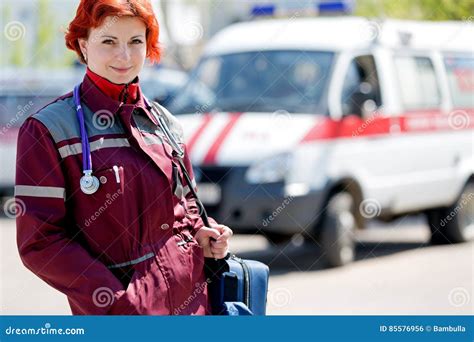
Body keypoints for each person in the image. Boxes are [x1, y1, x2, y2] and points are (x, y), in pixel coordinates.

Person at [15, 0, 232, 315]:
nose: (125, 55)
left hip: (195, 307)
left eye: (135, 41)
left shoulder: (165, 123)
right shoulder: (48, 130)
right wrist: (119, 302)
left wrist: (205, 234)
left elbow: (186, 211)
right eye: (108, 41)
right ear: (82, 44)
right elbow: (40, 243)